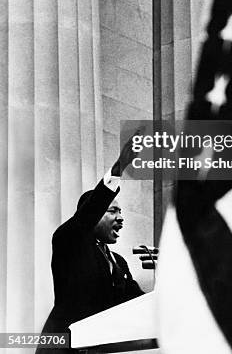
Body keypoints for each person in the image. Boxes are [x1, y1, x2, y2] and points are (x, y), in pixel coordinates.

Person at [37, 132, 144, 352]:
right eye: (113, 210)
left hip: (97, 346)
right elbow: (88, 213)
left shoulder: (119, 263)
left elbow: (136, 302)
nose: (121, 218)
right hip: (64, 348)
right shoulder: (69, 240)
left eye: (121, 211)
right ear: (93, 216)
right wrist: (120, 167)